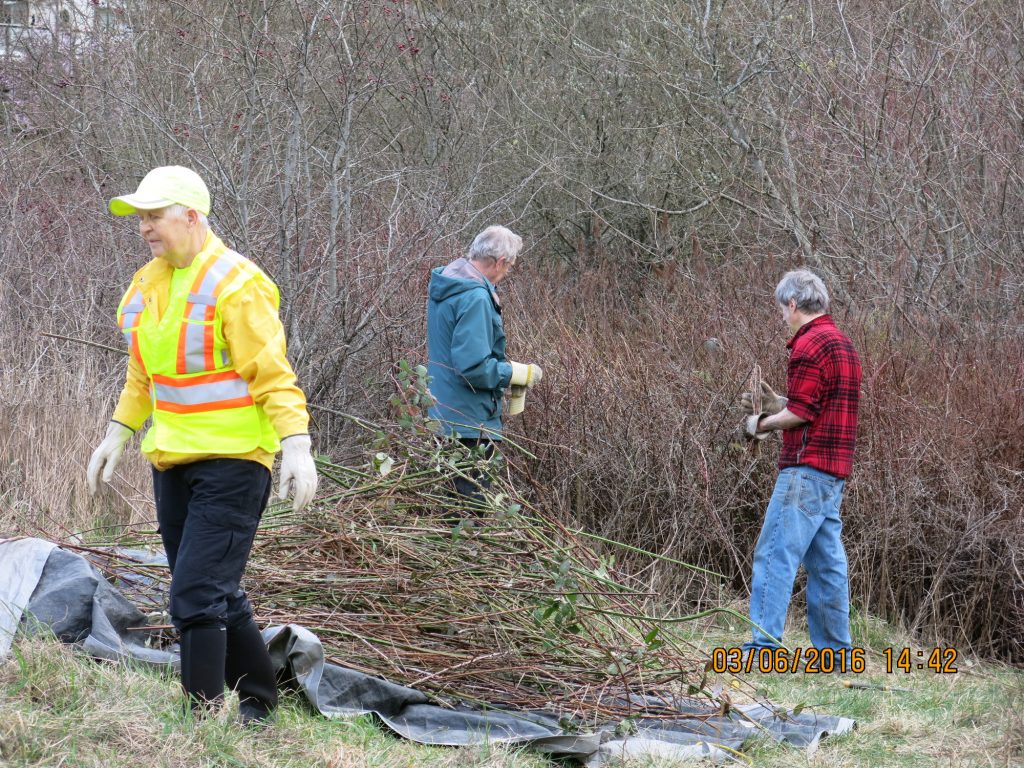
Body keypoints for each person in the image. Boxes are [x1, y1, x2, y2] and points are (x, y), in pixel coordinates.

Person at [86, 166, 318, 723]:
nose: (144, 227)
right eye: (138, 217)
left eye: (153, 215)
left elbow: (272, 373)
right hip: (172, 459)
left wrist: (297, 443)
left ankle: (201, 721)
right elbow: (144, 378)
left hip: (236, 462)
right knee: (214, 588)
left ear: (190, 216)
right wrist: (118, 432)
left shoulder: (237, 283)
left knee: (194, 593)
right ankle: (260, 702)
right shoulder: (147, 284)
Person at [739, 269, 861, 661]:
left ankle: (761, 648)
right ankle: (836, 655)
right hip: (833, 473)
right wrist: (781, 404)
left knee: (774, 554)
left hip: (804, 470)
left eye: (782, 309)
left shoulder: (808, 344)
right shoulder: (843, 344)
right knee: (826, 563)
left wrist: (761, 424)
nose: (783, 318)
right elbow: (819, 405)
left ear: (793, 304)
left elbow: (804, 413)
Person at [426, 225, 543, 503]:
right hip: (469, 424)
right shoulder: (475, 296)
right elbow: (473, 367)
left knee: (447, 507)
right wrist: (515, 372)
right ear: (501, 262)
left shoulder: (449, 282)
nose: (507, 273)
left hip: (443, 414)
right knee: (468, 513)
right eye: (510, 266)